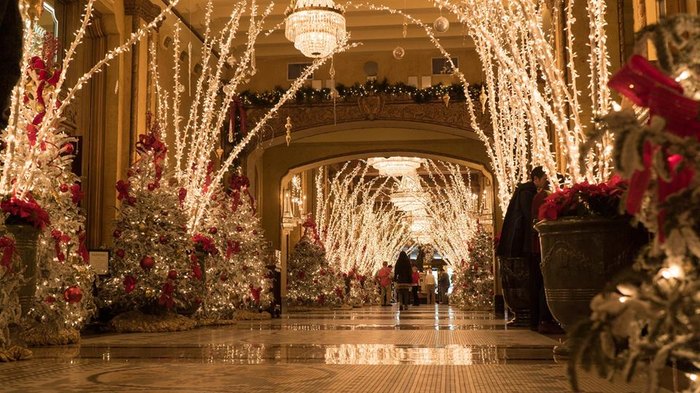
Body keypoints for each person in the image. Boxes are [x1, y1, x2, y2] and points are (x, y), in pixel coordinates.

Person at [496, 166, 548, 328]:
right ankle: (537, 319)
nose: (548, 181)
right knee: (535, 282)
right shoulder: (529, 194)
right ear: (536, 179)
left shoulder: (524, 192)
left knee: (534, 282)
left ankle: (535, 320)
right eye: (545, 178)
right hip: (528, 245)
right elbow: (529, 219)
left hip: (524, 245)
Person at [531, 175, 563, 334]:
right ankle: (545, 319)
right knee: (546, 282)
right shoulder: (544, 197)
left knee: (544, 282)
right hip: (545, 245)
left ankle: (545, 318)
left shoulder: (541, 196)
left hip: (542, 245)